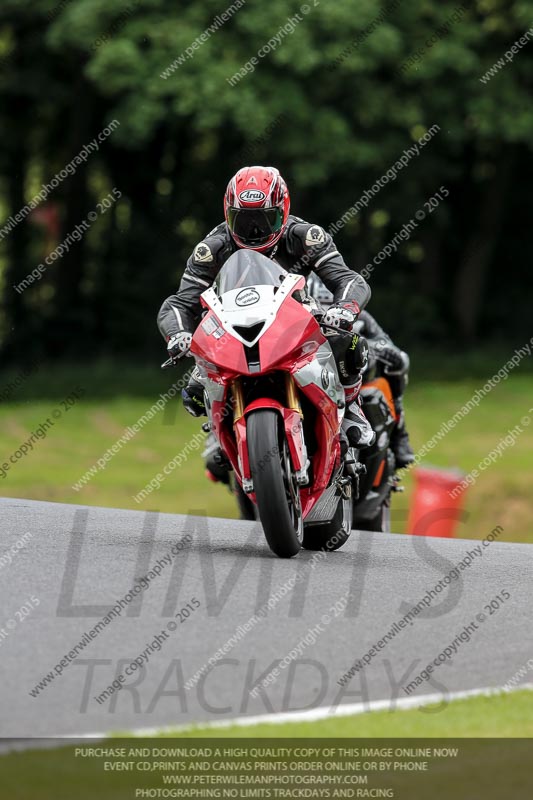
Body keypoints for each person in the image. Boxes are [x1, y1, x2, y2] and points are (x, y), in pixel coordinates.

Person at [158, 165, 375, 454]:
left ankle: (349, 409)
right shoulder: (212, 248)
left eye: (264, 219)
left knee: (349, 345)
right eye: (244, 221)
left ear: (282, 212)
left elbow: (347, 279)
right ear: (228, 214)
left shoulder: (305, 236)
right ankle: (222, 435)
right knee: (194, 394)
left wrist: (345, 308)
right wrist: (178, 335)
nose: (254, 231)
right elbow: (179, 303)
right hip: (232, 327)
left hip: (293, 320)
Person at [306, 273, 414, 467]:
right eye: (319, 307)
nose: (325, 316)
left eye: (329, 304)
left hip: (355, 377)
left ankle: (399, 435)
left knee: (399, 362)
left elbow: (386, 343)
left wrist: (372, 348)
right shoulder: (297, 319)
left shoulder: (360, 317)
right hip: (312, 377)